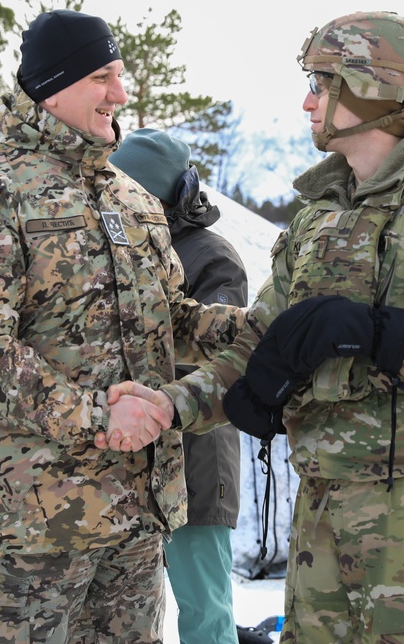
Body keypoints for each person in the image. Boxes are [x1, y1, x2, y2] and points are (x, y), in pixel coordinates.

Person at [105, 11, 404, 642]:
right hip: (319, 511)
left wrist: (383, 335)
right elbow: (259, 345)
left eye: (321, 82)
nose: (308, 100)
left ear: (366, 89)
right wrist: (171, 405)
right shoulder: (316, 220)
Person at [0, 9, 246, 644]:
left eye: (120, 75)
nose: (120, 95)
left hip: (137, 518)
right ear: (55, 82)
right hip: (32, 528)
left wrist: (256, 331)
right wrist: (101, 418)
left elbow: (169, 317)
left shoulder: (130, 198)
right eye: (103, 76)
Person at [109, 128, 248, 644]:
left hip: (194, 456)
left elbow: (218, 355)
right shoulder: (118, 247)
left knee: (204, 610)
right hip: (128, 464)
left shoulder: (210, 256)